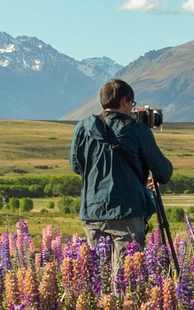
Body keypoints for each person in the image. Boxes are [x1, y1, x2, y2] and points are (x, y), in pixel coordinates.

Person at [70, 78, 174, 247]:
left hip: (92, 212)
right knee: (128, 271)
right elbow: (162, 172)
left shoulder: (82, 128)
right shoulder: (137, 130)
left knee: (98, 271)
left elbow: (76, 166)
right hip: (127, 212)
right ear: (125, 100)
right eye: (131, 103)